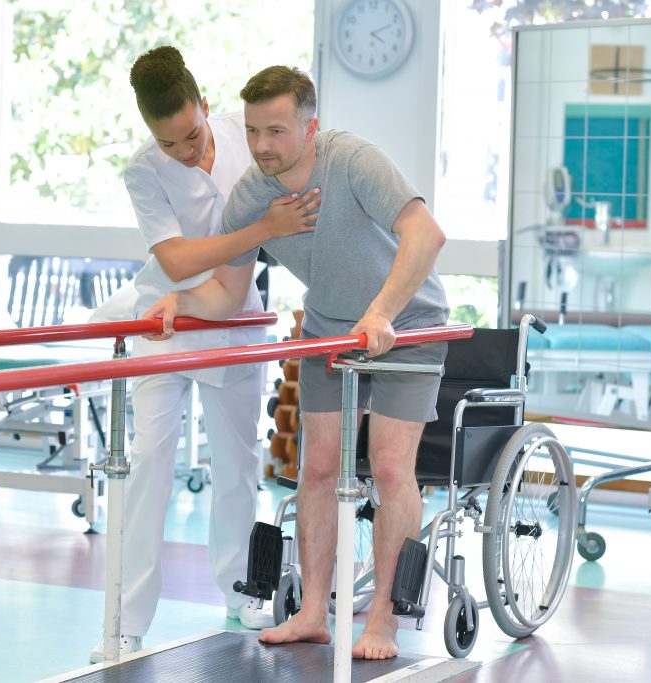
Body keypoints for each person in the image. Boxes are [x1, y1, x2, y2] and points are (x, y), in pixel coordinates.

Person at [142, 65, 450, 661]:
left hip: (409, 324)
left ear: (310, 128)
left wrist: (382, 313)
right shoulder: (253, 195)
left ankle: (382, 619)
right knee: (317, 470)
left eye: (277, 131)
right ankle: (313, 611)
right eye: (254, 130)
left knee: (388, 467)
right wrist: (180, 300)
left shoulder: (353, 161)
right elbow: (228, 293)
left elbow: (426, 235)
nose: (262, 146)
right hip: (330, 331)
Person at [88, 48, 322, 664]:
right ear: (150, 135)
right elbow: (175, 262)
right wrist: (263, 230)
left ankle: (243, 589)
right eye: (171, 145)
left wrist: (248, 240)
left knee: (238, 464)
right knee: (147, 469)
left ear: (205, 109)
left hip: (234, 319)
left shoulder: (246, 139)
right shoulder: (143, 172)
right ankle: (125, 621)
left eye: (192, 135)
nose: (187, 151)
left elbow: (233, 251)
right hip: (165, 323)